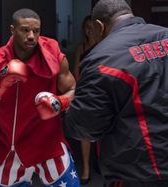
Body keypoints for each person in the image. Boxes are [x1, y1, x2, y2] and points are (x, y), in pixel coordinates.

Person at [63, 0, 168, 186]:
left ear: (99, 26)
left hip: (143, 173)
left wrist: (67, 107)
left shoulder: (102, 58)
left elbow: (86, 126)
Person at [0, 8, 80, 186]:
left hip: (48, 142)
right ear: (12, 30)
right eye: (25, 30)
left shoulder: (53, 52)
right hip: (10, 146)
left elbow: (73, 88)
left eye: (36, 31)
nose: (31, 36)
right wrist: (1, 84)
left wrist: (60, 102)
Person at [73, 15, 97, 185]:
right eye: (86, 26)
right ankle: (86, 168)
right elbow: (75, 73)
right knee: (85, 131)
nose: (89, 29)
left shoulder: (105, 45)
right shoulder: (81, 48)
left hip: (103, 90)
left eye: (92, 26)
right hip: (86, 91)